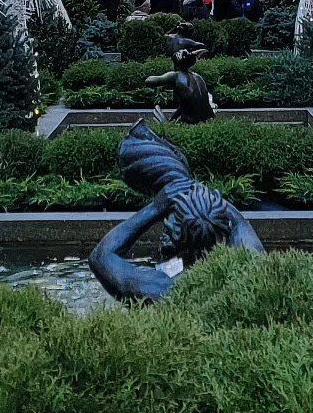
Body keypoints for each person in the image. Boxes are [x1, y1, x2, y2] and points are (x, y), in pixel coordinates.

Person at [88, 122, 263, 303]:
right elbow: (240, 223)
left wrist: (156, 208)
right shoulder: (248, 270)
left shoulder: (162, 289)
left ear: (176, 237)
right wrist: (201, 195)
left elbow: (101, 257)